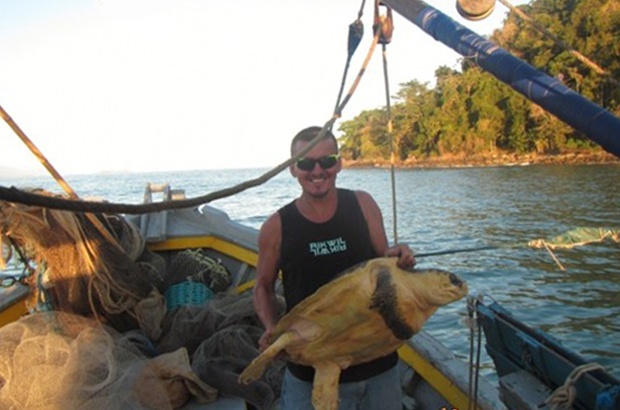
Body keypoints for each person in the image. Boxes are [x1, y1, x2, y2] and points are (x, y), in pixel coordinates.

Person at [253, 125, 416, 410]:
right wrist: (271, 327)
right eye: (306, 163)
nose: (318, 171)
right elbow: (263, 287)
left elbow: (384, 259)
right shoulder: (276, 227)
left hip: (377, 365)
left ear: (339, 163)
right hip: (310, 371)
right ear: (293, 169)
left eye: (327, 161)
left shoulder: (363, 204)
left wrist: (399, 255)